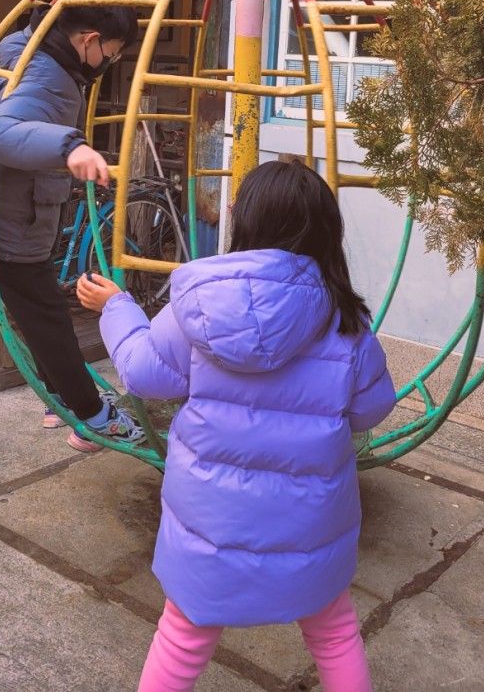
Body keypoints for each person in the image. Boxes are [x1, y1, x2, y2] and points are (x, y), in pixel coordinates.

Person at [77, 158, 396, 692]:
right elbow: (370, 410)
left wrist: (117, 307)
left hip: (211, 524)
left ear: (243, 224)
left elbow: (142, 372)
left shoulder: (198, 307)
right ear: (326, 233)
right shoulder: (346, 321)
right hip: (308, 526)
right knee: (336, 635)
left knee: (181, 637)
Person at [0, 0, 145, 452]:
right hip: (4, 217)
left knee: (32, 311)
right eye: (112, 51)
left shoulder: (19, 44)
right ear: (89, 40)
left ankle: (58, 399)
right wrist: (69, 147)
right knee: (47, 315)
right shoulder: (49, 76)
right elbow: (2, 134)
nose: (112, 61)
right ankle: (90, 418)